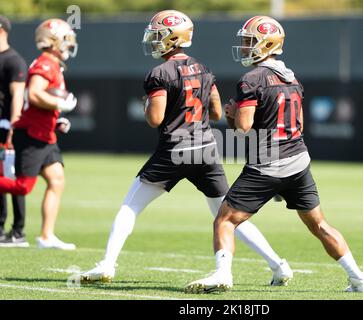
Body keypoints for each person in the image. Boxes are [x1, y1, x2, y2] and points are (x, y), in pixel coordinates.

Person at [81, 10, 293, 285]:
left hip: (174, 149)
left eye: (158, 35)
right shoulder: (204, 69)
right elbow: (216, 112)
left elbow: (154, 118)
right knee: (228, 216)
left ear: (172, 38)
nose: (154, 40)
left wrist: (147, 104)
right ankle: (278, 265)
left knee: (130, 207)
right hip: (205, 148)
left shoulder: (159, 72)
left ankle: (107, 263)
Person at [186, 16, 363, 293]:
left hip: (268, 163)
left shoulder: (251, 79)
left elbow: (244, 127)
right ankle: (359, 279)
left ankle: (223, 273)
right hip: (298, 161)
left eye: (250, 42)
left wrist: (231, 115)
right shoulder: (292, 77)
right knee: (320, 225)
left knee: (225, 220)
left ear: (267, 44)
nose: (245, 47)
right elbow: (299, 125)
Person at [0, 18, 78, 250]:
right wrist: (60, 104)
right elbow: (33, 94)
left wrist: (57, 118)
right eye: (65, 39)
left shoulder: (54, 65)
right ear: (53, 41)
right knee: (23, 187)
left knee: (56, 179)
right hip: (32, 134)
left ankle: (46, 236)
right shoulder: (45, 64)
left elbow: (38, 103)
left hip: (46, 134)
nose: (70, 44)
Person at [0, 15, 28, 247]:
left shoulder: (13, 61)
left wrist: (13, 125)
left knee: (11, 177)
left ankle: (18, 231)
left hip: (6, 127)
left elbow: (18, 95)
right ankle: (0, 228)